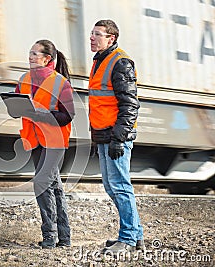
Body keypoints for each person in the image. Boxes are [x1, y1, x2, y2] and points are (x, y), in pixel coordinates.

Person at [88, 19, 144, 253]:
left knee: (120, 186)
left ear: (111, 38)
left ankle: (128, 240)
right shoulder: (100, 60)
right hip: (104, 135)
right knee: (112, 187)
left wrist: (119, 138)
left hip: (115, 135)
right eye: (91, 33)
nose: (92, 37)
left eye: (97, 34)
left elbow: (130, 105)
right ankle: (135, 235)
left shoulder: (120, 62)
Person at [14, 39, 75, 249]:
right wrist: (14, 107)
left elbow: (68, 115)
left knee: (41, 183)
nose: (30, 57)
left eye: (34, 54)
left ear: (47, 59)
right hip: (33, 139)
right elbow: (15, 108)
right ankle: (64, 238)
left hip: (54, 141)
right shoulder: (23, 79)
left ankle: (49, 236)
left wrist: (42, 114)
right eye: (29, 53)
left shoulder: (60, 83)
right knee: (54, 187)